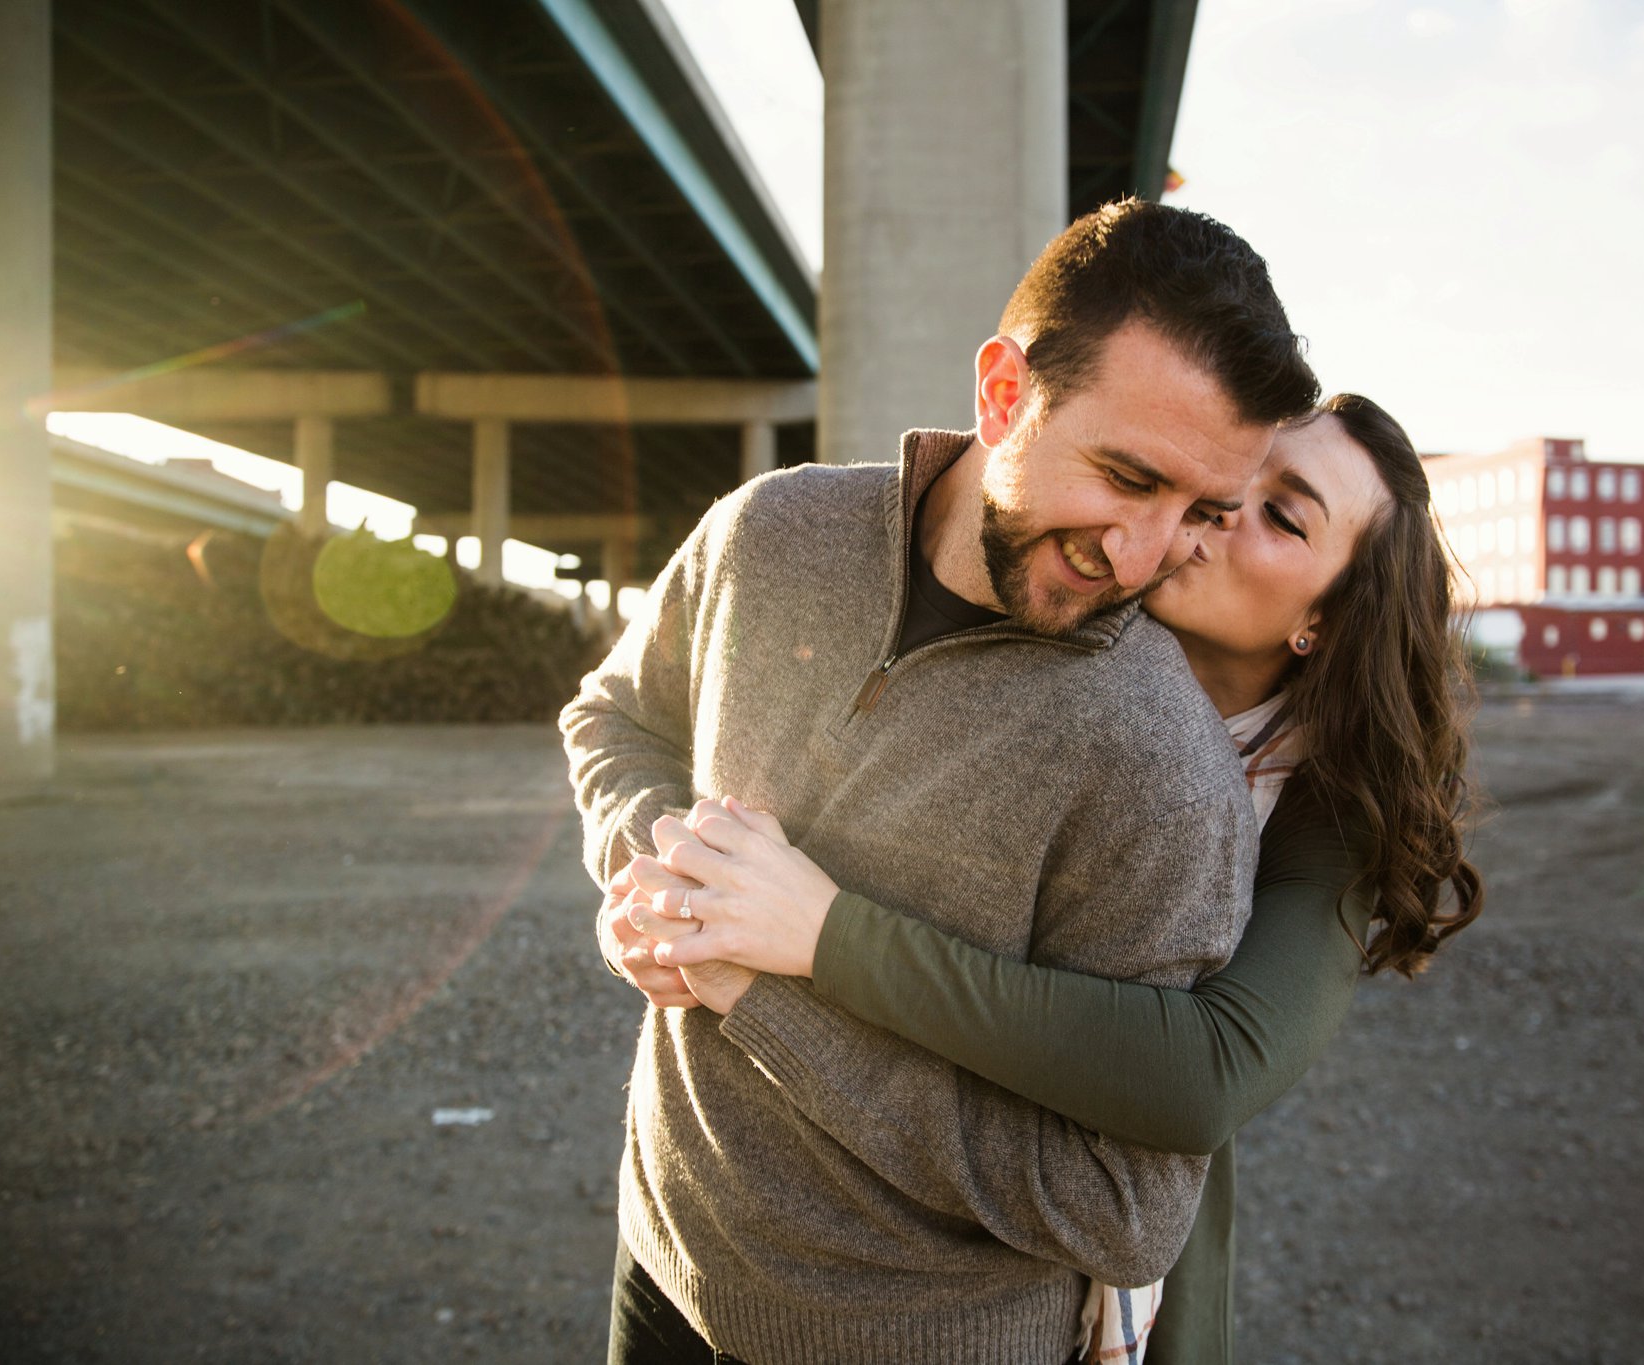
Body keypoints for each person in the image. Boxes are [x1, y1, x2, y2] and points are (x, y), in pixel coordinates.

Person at [560, 197, 1322, 1365]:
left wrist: (755, 990)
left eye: (1198, 512)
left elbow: (1123, 1211)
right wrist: (658, 866)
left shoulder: (1156, 767)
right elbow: (616, 713)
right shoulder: (768, 531)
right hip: (659, 1270)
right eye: (1124, 477)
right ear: (1004, 393)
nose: (1139, 555)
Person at [609, 393, 1486, 1364]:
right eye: (1225, 478)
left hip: (1066, 1270)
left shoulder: (1327, 803)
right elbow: (636, 724)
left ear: (1322, 618)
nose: (1218, 511)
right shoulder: (1033, 614)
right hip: (726, 1230)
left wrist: (827, 938)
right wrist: (674, 886)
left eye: (1281, 514)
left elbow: (1203, 1076)